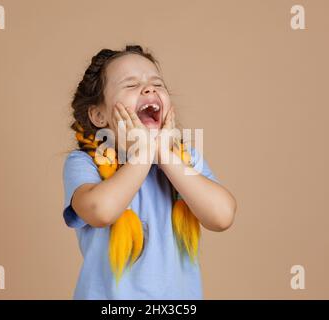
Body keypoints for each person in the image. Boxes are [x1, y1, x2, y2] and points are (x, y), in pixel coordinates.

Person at [62, 45, 237, 299]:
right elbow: (101, 211)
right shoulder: (84, 163)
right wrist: (143, 154)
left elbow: (222, 216)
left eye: (157, 83)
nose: (149, 88)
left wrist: (163, 155)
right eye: (131, 85)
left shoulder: (183, 160)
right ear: (99, 115)